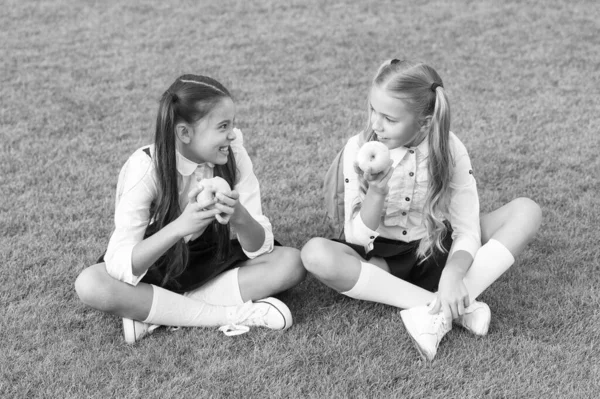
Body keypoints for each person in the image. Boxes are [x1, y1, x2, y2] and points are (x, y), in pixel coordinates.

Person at [301, 59, 542, 361]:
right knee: (315, 254)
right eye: (373, 110)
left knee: (526, 211)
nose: (376, 124)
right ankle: (448, 309)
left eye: (389, 118)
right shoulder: (358, 147)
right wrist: (376, 191)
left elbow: (466, 229)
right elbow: (356, 238)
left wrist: (453, 274)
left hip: (438, 245)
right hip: (384, 260)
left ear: (424, 123)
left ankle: (446, 299)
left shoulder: (450, 149)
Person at [75, 75, 305, 343]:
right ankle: (234, 314)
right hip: (157, 263)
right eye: (222, 126)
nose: (232, 134)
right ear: (184, 133)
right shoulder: (146, 167)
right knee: (91, 284)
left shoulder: (234, 154)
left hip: (210, 257)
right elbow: (120, 264)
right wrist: (179, 227)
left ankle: (157, 313)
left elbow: (260, 247)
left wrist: (239, 215)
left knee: (291, 263)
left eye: (232, 124)